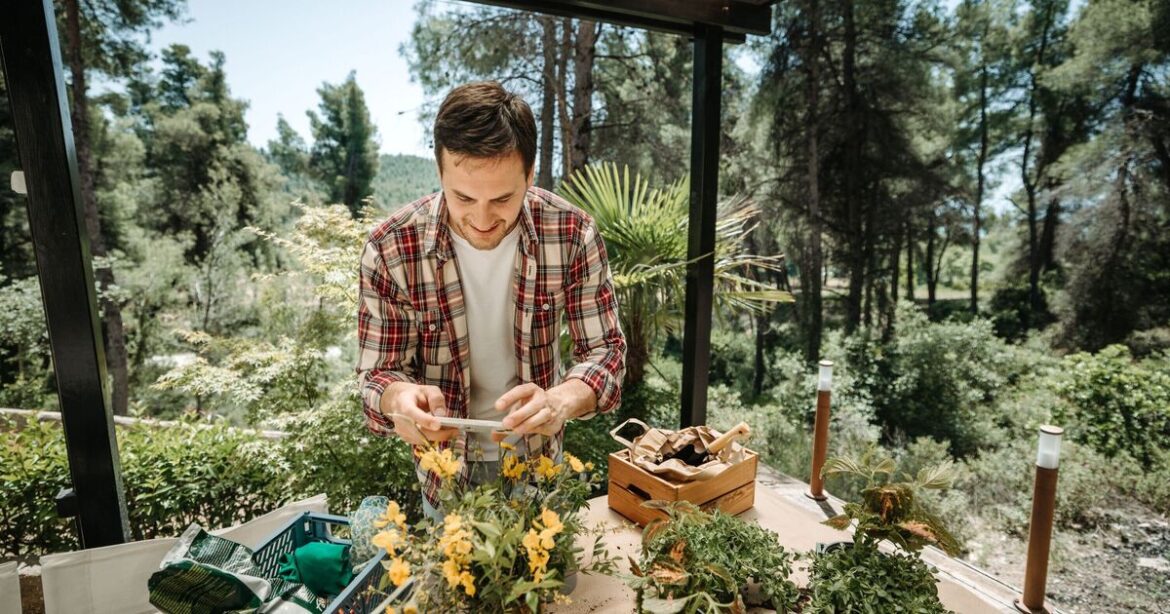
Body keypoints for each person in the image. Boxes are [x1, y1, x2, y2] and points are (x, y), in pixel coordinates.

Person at [355, 81, 626, 519]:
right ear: (439, 170)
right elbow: (376, 374)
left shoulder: (573, 233)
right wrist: (397, 399)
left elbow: (607, 352)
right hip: (442, 473)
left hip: (540, 466)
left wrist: (561, 399)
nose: (482, 220)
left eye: (503, 198)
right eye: (463, 197)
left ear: (530, 173)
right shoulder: (390, 248)